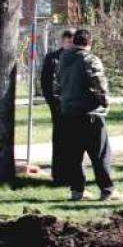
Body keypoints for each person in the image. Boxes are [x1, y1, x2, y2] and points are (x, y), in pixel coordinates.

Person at [55, 29, 122, 201]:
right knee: (100, 154)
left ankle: (77, 191)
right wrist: (105, 102)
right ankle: (107, 189)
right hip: (90, 113)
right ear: (89, 42)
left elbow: (57, 87)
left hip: (69, 113)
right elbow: (99, 84)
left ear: (75, 41)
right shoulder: (90, 59)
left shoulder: (62, 59)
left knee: (75, 155)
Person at [40, 30, 74, 185]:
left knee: (74, 142)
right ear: (63, 41)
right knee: (60, 140)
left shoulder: (77, 58)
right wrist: (55, 103)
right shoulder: (52, 58)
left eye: (72, 42)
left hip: (74, 106)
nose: (69, 44)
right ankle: (59, 175)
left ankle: (72, 174)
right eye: (67, 41)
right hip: (59, 106)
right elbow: (46, 84)